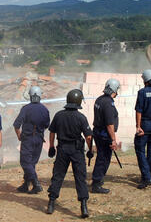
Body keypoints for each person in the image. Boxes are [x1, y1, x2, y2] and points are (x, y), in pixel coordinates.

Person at [46, 89, 92, 218]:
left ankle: (51, 203)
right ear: (78, 101)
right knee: (80, 178)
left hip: (62, 149)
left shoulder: (59, 115)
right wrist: (90, 150)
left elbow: (52, 132)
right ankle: (83, 207)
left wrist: (51, 146)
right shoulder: (81, 117)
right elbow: (88, 137)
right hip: (76, 151)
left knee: (58, 176)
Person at [13, 86, 50, 194]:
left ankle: (36, 184)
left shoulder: (25, 109)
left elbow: (16, 125)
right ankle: (26, 185)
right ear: (39, 96)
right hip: (39, 139)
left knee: (25, 162)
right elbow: (47, 125)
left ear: (30, 96)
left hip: (28, 139)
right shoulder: (44, 109)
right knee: (32, 163)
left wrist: (18, 135)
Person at [91, 78, 120, 194]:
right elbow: (109, 124)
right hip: (104, 134)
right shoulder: (108, 103)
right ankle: (97, 183)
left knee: (101, 157)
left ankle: (97, 180)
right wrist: (113, 140)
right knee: (103, 159)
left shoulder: (100, 99)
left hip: (98, 132)